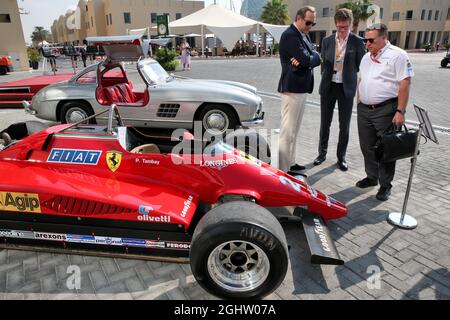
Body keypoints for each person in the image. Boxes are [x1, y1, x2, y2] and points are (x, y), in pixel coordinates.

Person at [356, 23, 414, 201]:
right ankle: (371, 177)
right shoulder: (366, 57)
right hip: (364, 110)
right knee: (367, 147)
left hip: (386, 110)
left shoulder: (398, 55)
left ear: (383, 38)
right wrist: (358, 101)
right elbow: (361, 79)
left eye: (371, 40)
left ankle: (385, 185)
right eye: (366, 40)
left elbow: (405, 83)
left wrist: (400, 111)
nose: (367, 43)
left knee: (386, 149)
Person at [314, 8, 366, 171]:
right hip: (329, 86)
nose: (342, 30)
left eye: (345, 27)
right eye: (339, 27)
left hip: (346, 89)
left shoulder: (357, 42)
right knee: (325, 123)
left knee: (345, 125)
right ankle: (321, 154)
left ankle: (341, 157)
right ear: (336, 24)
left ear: (350, 24)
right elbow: (323, 64)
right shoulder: (327, 41)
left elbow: (360, 66)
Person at [277, 6, 321, 175]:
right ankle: (282, 169)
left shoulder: (303, 34)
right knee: (287, 131)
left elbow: (313, 56)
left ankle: (291, 162)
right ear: (299, 18)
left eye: (313, 23)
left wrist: (312, 57)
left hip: (301, 87)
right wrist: (310, 58)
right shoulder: (290, 35)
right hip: (292, 88)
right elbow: (307, 59)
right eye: (308, 22)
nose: (310, 26)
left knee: (294, 130)